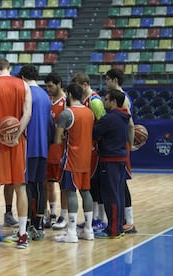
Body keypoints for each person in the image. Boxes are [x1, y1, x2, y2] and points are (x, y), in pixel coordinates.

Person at [0, 58, 32, 249]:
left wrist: (0, 136)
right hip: (19, 142)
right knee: (21, 187)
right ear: (10, 68)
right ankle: (23, 236)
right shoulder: (24, 85)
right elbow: (27, 114)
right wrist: (16, 134)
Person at [53, 84, 95, 243]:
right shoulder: (89, 113)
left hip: (71, 158)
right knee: (85, 192)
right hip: (86, 158)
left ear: (69, 94)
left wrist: (63, 136)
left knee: (70, 192)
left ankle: (71, 232)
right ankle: (88, 230)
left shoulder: (66, 113)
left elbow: (57, 139)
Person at [18, 64, 52, 240]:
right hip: (42, 146)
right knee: (40, 186)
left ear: (22, 77)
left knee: (27, 187)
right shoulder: (46, 96)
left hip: (27, 146)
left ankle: (29, 225)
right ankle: (39, 225)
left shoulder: (26, 93)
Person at [71, 73, 107, 232]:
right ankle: (91, 219)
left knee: (98, 184)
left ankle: (101, 218)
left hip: (97, 149)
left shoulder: (95, 101)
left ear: (85, 84)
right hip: (88, 149)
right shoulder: (83, 101)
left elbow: (103, 126)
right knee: (90, 185)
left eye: (79, 85)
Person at [93, 89, 130, 238]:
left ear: (114, 102)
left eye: (106, 99)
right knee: (118, 195)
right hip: (120, 159)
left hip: (110, 160)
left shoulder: (110, 119)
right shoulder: (124, 116)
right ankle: (118, 226)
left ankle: (113, 230)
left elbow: (94, 132)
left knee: (111, 196)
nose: (103, 102)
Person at [104, 69, 137, 234]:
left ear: (115, 80)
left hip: (120, 147)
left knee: (121, 184)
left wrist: (131, 144)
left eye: (107, 79)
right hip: (121, 147)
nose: (105, 82)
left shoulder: (121, 99)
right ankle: (123, 220)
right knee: (119, 184)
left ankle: (129, 222)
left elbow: (130, 124)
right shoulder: (119, 96)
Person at [44, 73, 67, 230]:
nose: (48, 89)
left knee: (63, 184)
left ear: (59, 84)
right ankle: (50, 214)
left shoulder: (66, 102)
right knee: (47, 183)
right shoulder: (47, 100)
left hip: (61, 149)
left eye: (51, 86)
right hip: (48, 148)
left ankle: (63, 215)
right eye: (46, 86)